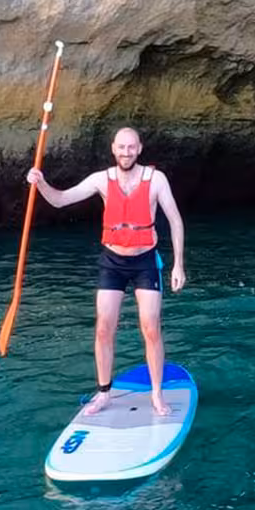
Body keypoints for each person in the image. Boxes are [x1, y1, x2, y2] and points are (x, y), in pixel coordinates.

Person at [27, 126, 186, 416]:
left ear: (139, 149)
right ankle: (103, 394)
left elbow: (175, 222)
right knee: (103, 328)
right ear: (113, 149)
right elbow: (61, 199)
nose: (126, 152)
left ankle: (157, 394)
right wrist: (41, 183)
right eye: (121, 147)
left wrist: (178, 265)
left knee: (151, 328)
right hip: (112, 261)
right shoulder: (102, 179)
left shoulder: (156, 180)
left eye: (131, 147)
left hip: (145, 261)